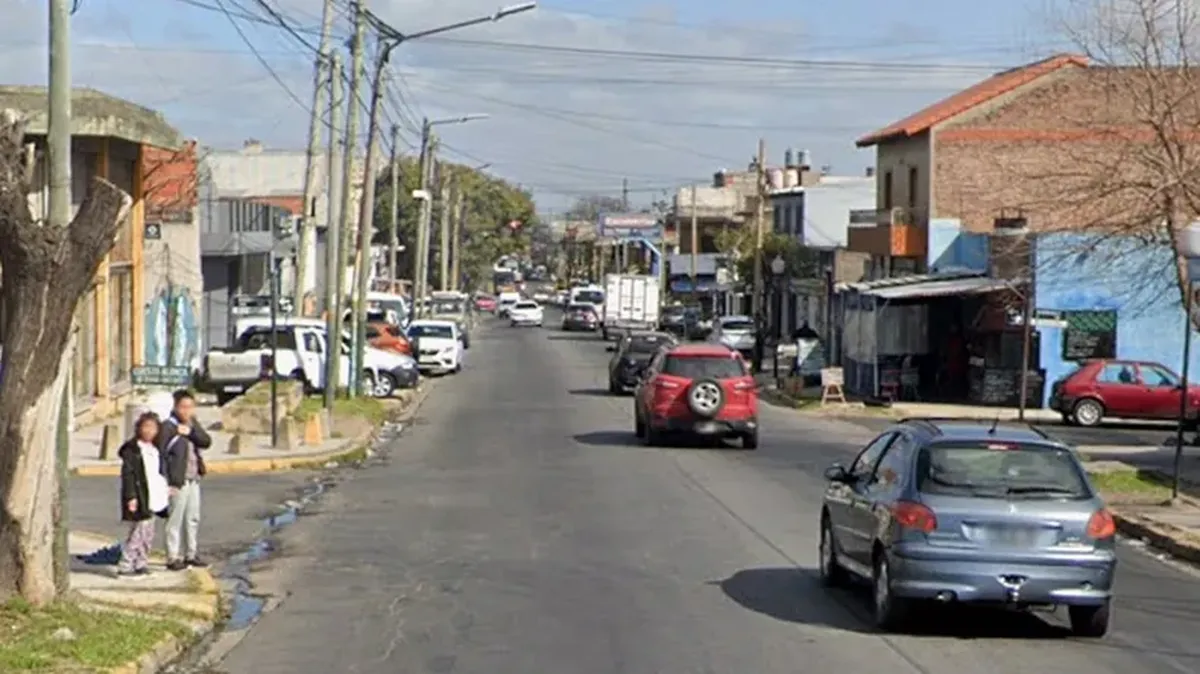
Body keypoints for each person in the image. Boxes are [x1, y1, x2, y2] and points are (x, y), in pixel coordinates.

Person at [159, 389, 213, 571]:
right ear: (175, 407)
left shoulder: (192, 424)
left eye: (190, 407)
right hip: (177, 480)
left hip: (193, 477)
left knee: (193, 517)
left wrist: (190, 432)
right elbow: (160, 451)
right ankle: (172, 556)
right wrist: (165, 480)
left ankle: (191, 553)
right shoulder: (168, 426)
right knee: (175, 518)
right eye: (183, 407)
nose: (187, 411)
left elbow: (206, 441)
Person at [118, 412, 170, 576]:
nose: (149, 431)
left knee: (148, 533)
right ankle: (126, 563)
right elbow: (129, 475)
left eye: (153, 428)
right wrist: (131, 496)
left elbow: (158, 473)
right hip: (140, 496)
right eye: (145, 427)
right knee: (137, 532)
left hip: (154, 496)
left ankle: (141, 562)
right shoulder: (133, 451)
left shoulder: (155, 449)